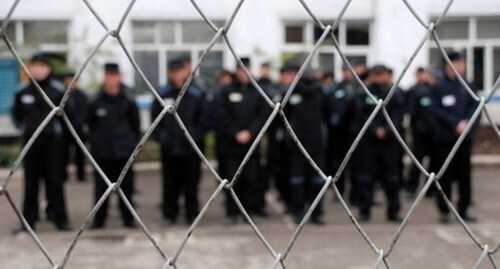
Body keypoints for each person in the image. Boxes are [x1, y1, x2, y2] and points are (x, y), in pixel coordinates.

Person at [11, 53, 71, 233]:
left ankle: (60, 218)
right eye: (34, 66)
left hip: (53, 144)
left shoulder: (58, 90)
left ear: (49, 69)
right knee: (30, 184)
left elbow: (68, 116)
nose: (38, 70)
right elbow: (16, 115)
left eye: (42, 66)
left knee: (55, 182)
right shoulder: (22, 91)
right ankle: (28, 221)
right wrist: (25, 128)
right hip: (30, 144)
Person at [151, 58, 207, 226]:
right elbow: (155, 122)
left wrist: (194, 138)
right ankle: (170, 214)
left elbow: (204, 120)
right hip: (170, 149)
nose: (176, 75)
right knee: (170, 184)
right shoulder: (162, 95)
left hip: (191, 149)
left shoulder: (196, 94)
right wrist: (164, 138)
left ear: (185, 71)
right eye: (173, 72)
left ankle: (192, 214)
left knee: (191, 184)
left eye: (179, 71)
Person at [215, 57, 269, 224]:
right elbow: (222, 115)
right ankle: (232, 212)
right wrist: (235, 132)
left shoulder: (257, 91)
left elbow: (263, 116)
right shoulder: (227, 91)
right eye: (241, 70)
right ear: (237, 72)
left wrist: (251, 132)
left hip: (251, 145)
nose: (244, 74)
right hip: (232, 145)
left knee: (251, 179)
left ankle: (249, 212)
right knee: (232, 179)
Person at [86, 63, 140, 229]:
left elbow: (135, 124)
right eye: (109, 76)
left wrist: (130, 143)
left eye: (115, 76)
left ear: (119, 77)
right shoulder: (96, 100)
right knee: (101, 188)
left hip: (124, 152)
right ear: (105, 77)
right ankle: (99, 220)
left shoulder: (128, 99)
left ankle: (128, 219)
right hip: (103, 153)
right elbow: (90, 124)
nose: (112, 79)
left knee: (127, 188)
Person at [430, 52, 478, 223]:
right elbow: (435, 111)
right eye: (456, 63)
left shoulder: (468, 85)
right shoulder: (438, 87)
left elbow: (475, 106)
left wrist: (466, 122)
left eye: (461, 63)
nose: (460, 66)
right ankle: (444, 210)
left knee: (465, 175)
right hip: (445, 139)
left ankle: (464, 209)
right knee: (445, 176)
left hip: (464, 139)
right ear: (447, 65)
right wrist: (455, 124)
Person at [355, 64, 405, 223]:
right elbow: (361, 114)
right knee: (366, 178)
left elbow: (399, 115)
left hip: (389, 142)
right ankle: (364, 211)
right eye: (376, 74)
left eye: (382, 74)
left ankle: (393, 211)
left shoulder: (394, 93)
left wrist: (386, 129)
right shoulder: (364, 92)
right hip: (369, 142)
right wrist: (375, 129)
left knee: (392, 178)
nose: (379, 78)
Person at [284, 71, 331, 225]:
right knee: (297, 180)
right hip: (297, 144)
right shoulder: (292, 93)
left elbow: (328, 114)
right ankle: (298, 212)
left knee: (317, 180)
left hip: (317, 144)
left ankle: (317, 213)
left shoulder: (321, 93)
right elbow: (284, 114)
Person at [266, 63, 299, 214]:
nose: (290, 78)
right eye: (287, 75)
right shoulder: (274, 91)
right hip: (278, 140)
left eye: (293, 75)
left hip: (296, 141)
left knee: (293, 173)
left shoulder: (300, 93)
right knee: (280, 173)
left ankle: (293, 203)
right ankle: (285, 198)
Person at [326, 64, 357, 201]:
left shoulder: (358, 88)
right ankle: (339, 191)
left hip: (355, 131)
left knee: (356, 164)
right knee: (339, 163)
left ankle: (355, 195)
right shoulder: (335, 88)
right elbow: (330, 107)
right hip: (338, 132)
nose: (347, 73)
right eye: (344, 71)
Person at [405, 67, 437, 198]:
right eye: (419, 74)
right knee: (416, 161)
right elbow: (410, 111)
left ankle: (431, 189)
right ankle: (412, 188)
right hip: (418, 131)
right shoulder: (412, 90)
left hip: (433, 132)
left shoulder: (433, 89)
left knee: (434, 161)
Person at [63, 71, 88, 182]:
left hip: (79, 128)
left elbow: (86, 112)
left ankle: (81, 175)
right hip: (65, 129)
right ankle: (63, 176)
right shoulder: (62, 95)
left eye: (74, 81)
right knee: (64, 153)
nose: (71, 83)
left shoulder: (82, 95)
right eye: (69, 80)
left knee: (80, 153)